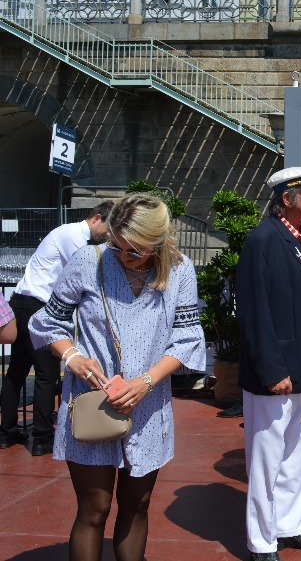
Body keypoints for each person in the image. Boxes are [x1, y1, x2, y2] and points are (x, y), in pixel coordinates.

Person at [29, 193, 206, 561]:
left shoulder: (179, 269)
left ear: (158, 243)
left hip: (149, 404)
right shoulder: (88, 260)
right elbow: (48, 321)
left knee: (137, 506)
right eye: (116, 245)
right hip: (93, 404)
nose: (123, 256)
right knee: (93, 509)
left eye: (134, 251)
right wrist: (73, 356)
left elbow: (187, 337)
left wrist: (145, 382)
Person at [237, 166, 301, 561]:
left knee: (297, 450)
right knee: (266, 458)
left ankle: (291, 523)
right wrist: (272, 369)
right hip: (277, 370)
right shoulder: (264, 239)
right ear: (287, 199)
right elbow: (254, 310)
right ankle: (262, 541)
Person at [0, 201, 113, 454]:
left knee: (17, 370)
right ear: (97, 218)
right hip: (37, 306)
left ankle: (7, 432)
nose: (108, 234)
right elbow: (85, 274)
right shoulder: (73, 235)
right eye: (108, 227)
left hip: (24, 302)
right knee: (46, 373)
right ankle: (42, 437)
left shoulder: (68, 234)